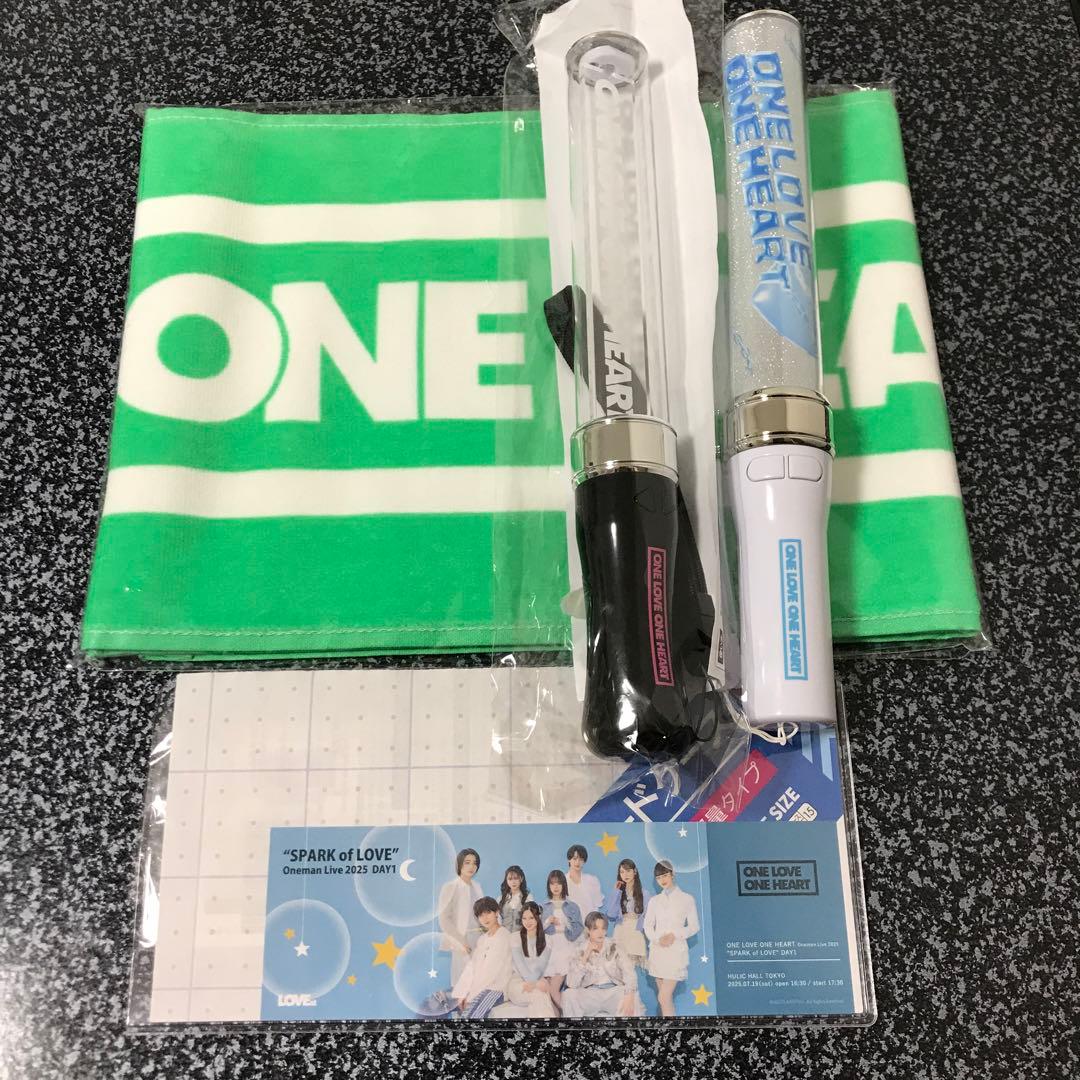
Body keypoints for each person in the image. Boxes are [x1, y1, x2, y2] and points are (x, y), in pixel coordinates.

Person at [643, 860, 700, 1017]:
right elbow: (647, 926)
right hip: (658, 952)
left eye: (665, 875)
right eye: (658, 877)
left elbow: (694, 926)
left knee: (664, 997)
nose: (662, 880)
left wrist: (675, 934)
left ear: (672, 874)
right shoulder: (654, 901)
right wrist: (657, 939)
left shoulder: (687, 899)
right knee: (664, 1000)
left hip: (675, 952)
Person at [561, 911, 640, 1018]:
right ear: (588, 930)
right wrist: (586, 955)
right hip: (590, 994)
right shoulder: (580, 949)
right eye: (595, 928)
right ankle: (574, 1029)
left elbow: (629, 972)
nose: (600, 932)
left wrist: (630, 994)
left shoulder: (614, 946)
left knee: (632, 995)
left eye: (603, 928)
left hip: (612, 992)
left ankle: (628, 1028)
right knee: (569, 994)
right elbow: (572, 983)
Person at [452, 896, 513, 1019]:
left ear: (496, 912)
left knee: (471, 1017)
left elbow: (491, 972)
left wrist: (471, 995)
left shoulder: (503, 936)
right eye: (481, 915)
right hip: (481, 988)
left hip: (496, 989)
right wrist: (463, 993)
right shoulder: (482, 939)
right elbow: (472, 967)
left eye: (488, 913)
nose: (485, 918)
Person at [540, 869, 583, 1013]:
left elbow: (578, 929)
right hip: (548, 949)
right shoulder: (543, 906)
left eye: (558, 883)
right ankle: (557, 1021)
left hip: (565, 947)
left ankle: (572, 1016)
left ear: (564, 885)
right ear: (548, 886)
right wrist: (547, 922)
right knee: (548, 992)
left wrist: (564, 926)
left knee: (554, 989)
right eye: (552, 883)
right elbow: (537, 930)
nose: (556, 887)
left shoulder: (572, 906)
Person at [437, 847, 483, 984]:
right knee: (462, 981)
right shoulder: (450, 887)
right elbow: (444, 919)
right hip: (462, 939)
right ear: (459, 864)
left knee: (479, 979)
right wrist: (460, 941)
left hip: (480, 939)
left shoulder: (477, 886)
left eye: (475, 863)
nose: (471, 866)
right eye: (467, 862)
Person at [506, 900, 557, 1017]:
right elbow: (520, 965)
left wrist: (535, 983)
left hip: (537, 981)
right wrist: (535, 983)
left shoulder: (548, 939)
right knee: (539, 993)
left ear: (538, 917)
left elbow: (541, 966)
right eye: (524, 918)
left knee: (540, 994)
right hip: (517, 983)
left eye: (531, 918)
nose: (527, 922)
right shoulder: (515, 938)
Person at [603, 857, 652, 967]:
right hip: (621, 930)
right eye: (622, 872)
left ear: (635, 871)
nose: (625, 874)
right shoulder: (618, 893)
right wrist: (616, 892)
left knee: (631, 968)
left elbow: (648, 917)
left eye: (628, 870)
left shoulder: (644, 894)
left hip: (635, 931)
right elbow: (611, 915)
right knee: (619, 967)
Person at [565, 843, 604, 918]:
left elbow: (597, 905)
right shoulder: (562, 881)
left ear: (584, 861)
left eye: (581, 859)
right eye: (575, 859)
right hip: (568, 923)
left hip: (589, 922)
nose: (577, 862)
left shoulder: (592, 880)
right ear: (569, 860)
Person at [497, 865, 533, 935]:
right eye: (510, 879)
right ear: (506, 880)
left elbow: (532, 918)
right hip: (504, 936)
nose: (513, 882)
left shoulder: (528, 898)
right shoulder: (501, 899)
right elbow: (498, 919)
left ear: (521, 879)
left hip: (522, 936)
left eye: (516, 878)